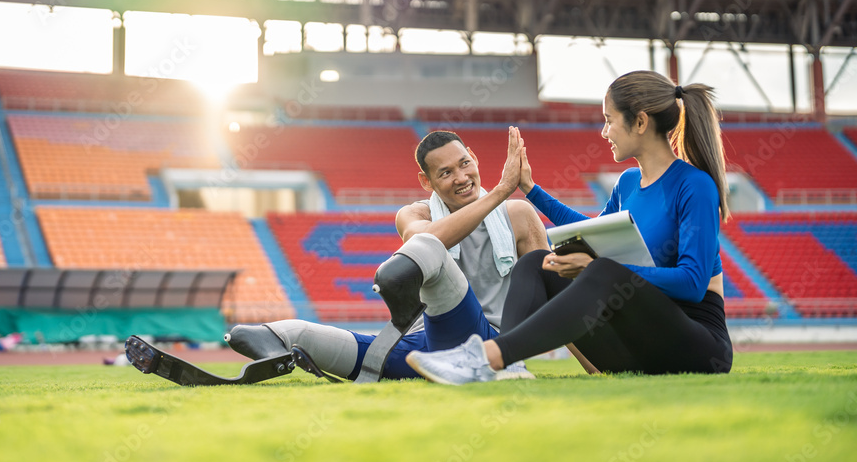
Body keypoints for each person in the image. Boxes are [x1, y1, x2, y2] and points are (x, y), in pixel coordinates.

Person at [405, 70, 734, 384]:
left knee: (603, 269)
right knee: (538, 262)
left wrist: (598, 267)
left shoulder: (694, 186)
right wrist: (531, 189)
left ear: (640, 122)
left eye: (609, 120)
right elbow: (593, 232)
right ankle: (509, 363)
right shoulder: (629, 182)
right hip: (638, 344)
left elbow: (692, 283)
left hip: (695, 345)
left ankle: (485, 357)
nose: (604, 132)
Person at [226, 127, 549, 380]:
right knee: (292, 335)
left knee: (426, 250)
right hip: (429, 346)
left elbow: (552, 290)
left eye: (464, 163)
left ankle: (498, 365)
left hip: (488, 344)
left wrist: (593, 364)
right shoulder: (413, 214)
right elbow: (426, 240)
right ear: (427, 181)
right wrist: (500, 191)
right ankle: (274, 337)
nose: (462, 177)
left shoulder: (517, 213)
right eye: (446, 172)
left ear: (475, 159)